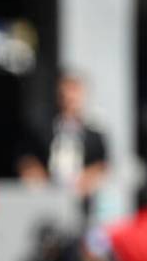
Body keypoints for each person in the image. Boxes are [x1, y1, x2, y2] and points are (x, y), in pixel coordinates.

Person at [17, 71, 108, 220]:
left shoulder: (95, 132)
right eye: (65, 94)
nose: (69, 99)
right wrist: (36, 174)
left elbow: (103, 164)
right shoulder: (42, 129)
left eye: (74, 94)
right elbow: (26, 158)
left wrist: (88, 179)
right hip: (46, 196)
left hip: (84, 202)